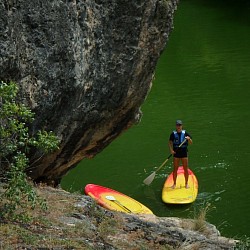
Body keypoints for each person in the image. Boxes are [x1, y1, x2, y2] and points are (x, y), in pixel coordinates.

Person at [168, 120, 192, 189]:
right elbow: (169, 142)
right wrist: (171, 150)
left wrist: (189, 139)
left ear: (182, 126)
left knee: (185, 169)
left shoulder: (185, 133)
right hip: (176, 154)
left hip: (184, 153)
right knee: (175, 169)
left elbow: (191, 143)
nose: (179, 127)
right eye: (177, 125)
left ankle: (186, 183)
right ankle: (174, 184)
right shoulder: (173, 134)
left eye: (180, 125)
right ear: (176, 126)